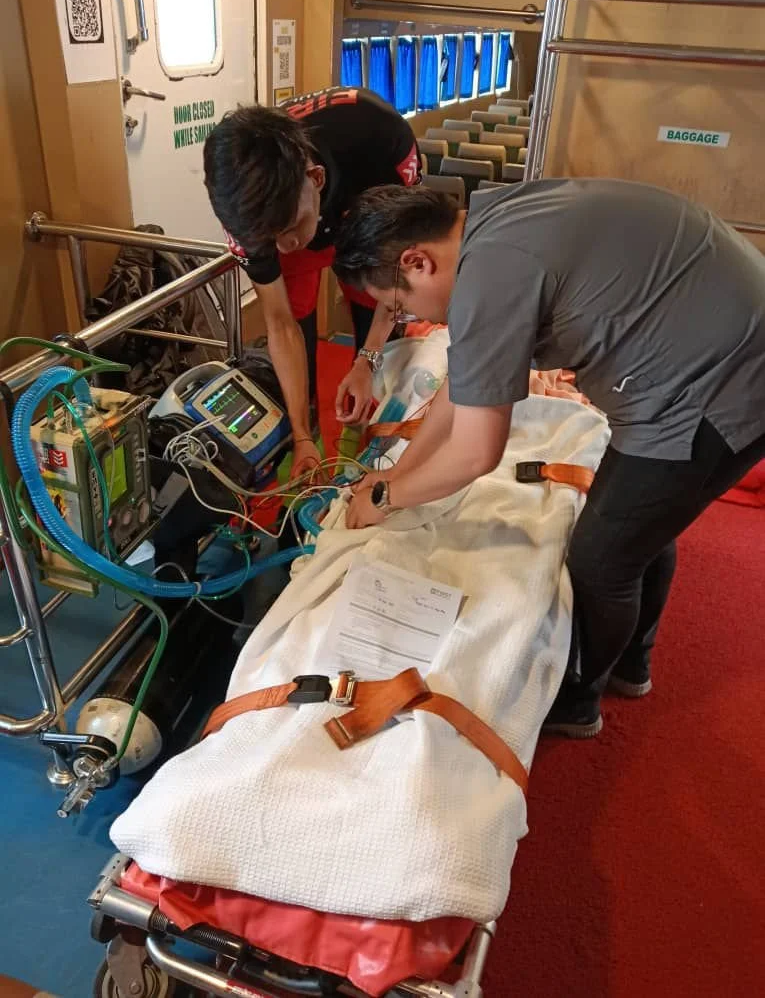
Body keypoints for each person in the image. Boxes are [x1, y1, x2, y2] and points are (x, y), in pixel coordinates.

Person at [332, 180, 765, 737]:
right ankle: (631, 664)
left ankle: (578, 698)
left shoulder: (489, 276)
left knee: (601, 558)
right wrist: (397, 472)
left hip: (721, 378)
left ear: (418, 262)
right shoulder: (491, 220)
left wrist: (387, 497)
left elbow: (475, 453)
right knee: (644, 520)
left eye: (400, 305)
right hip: (724, 333)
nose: (408, 314)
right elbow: (464, 378)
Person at [203, 87, 421, 478]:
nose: (283, 248)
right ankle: (309, 444)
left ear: (316, 178)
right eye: (269, 240)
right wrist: (301, 435)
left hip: (362, 202)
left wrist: (367, 359)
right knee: (297, 320)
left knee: (375, 330)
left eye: (289, 230)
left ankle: (365, 447)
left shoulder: (380, 140)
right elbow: (280, 323)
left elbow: (395, 283)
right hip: (300, 209)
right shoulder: (241, 208)